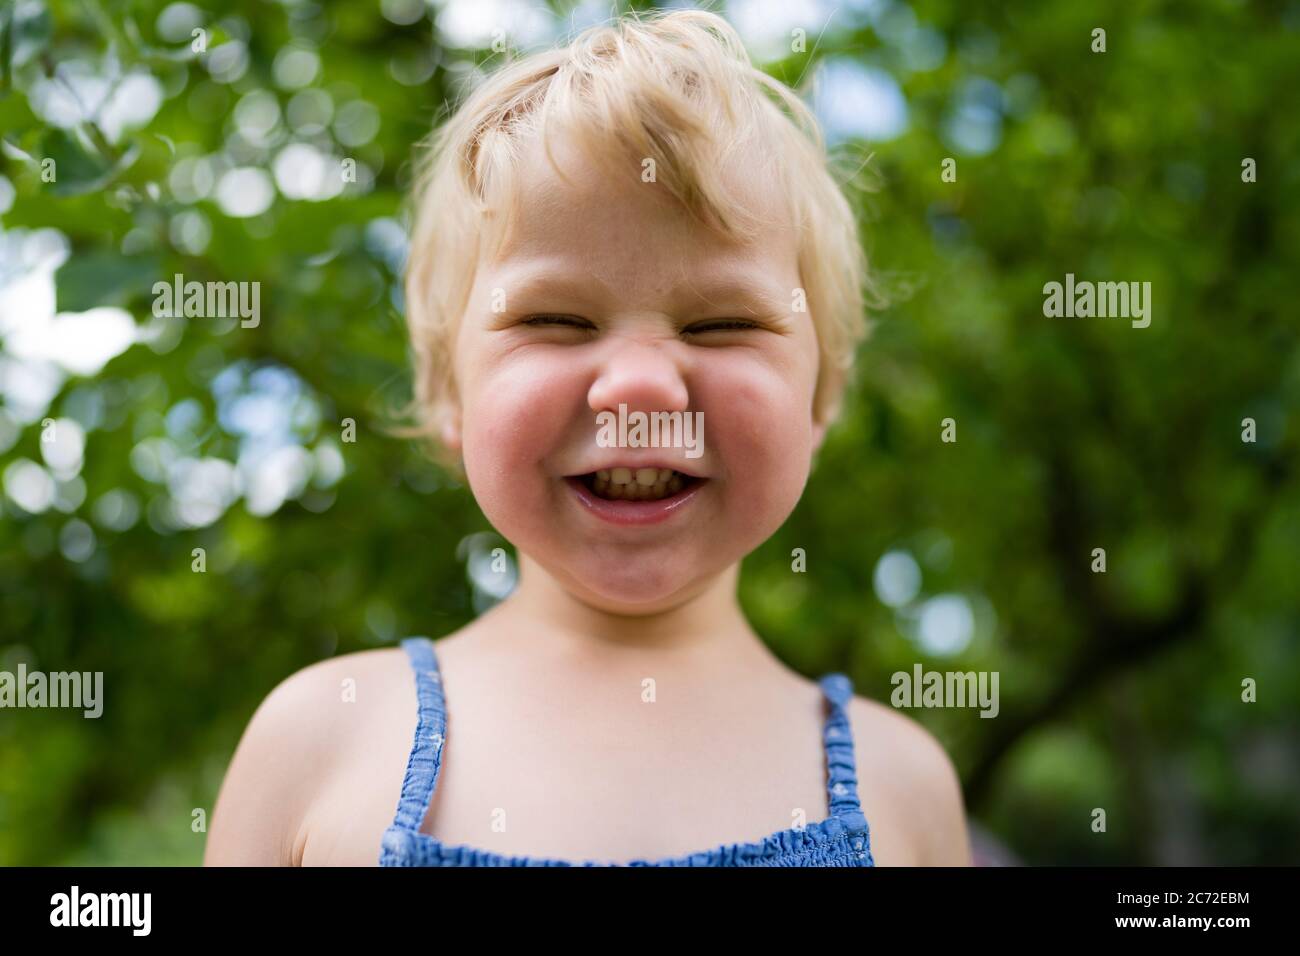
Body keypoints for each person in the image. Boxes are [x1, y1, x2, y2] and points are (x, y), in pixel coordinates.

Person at [205, 8, 970, 867]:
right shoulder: (322, 742)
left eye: (722, 323)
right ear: (450, 392)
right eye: (556, 320)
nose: (640, 383)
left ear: (820, 394)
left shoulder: (903, 785)